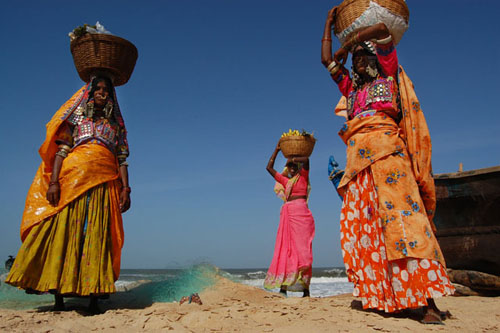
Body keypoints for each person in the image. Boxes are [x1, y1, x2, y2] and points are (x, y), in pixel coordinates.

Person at [321, 8, 454, 324]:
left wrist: (351, 41)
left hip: (388, 159)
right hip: (359, 165)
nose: (358, 63)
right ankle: (379, 296)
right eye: (354, 61)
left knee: (406, 225)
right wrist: (328, 26)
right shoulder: (351, 90)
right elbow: (327, 61)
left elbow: (382, 29)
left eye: (362, 57)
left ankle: (428, 303)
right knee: (367, 232)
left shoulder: (388, 73)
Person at [6, 76, 131, 314]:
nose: (102, 93)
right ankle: (58, 296)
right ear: (90, 93)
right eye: (98, 89)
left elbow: (122, 160)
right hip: (71, 180)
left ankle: (93, 296)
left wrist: (126, 188)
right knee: (65, 232)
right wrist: (53, 183)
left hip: (104, 184)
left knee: (97, 234)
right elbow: (61, 153)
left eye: (106, 90)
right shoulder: (75, 122)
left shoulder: (116, 128)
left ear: (112, 97)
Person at [263, 144, 315, 297]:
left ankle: (306, 289)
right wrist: (277, 150)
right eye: (289, 166)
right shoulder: (286, 181)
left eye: (294, 166)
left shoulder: (303, 176)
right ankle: (284, 288)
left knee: (304, 252)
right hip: (288, 215)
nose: (292, 168)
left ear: (298, 167)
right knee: (287, 250)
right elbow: (269, 167)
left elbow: (307, 160)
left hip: (302, 216)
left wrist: (292, 157)